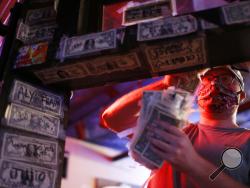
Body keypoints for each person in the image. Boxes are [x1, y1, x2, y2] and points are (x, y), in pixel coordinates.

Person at [101, 66, 250, 188]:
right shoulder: (173, 130)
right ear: (198, 93)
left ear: (241, 96)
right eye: (206, 80)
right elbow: (113, 119)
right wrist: (165, 86)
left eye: (225, 79)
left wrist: (191, 162)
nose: (214, 84)